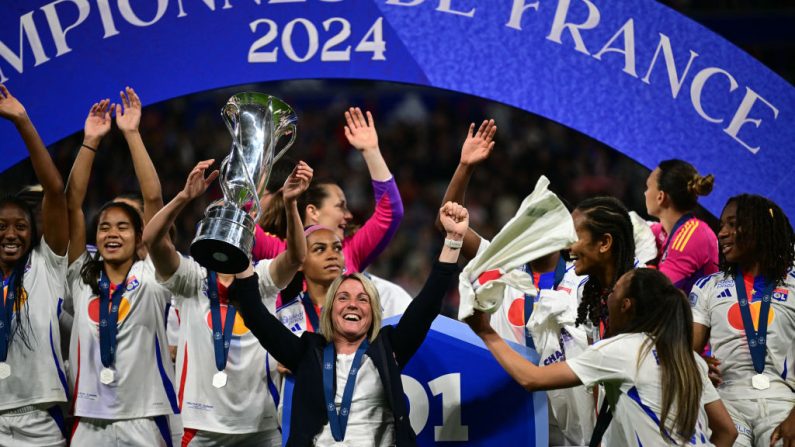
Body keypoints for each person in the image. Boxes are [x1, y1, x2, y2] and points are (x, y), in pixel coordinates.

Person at [232, 202, 467, 446]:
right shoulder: (308, 352)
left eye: (362, 299)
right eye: (343, 298)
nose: (353, 304)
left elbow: (427, 305)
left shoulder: (388, 349)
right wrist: (240, 252)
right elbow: (255, 315)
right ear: (331, 310)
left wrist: (453, 240)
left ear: (373, 312)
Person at [144, 159, 312, 446]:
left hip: (260, 426)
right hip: (200, 425)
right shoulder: (190, 279)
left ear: (249, 235)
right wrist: (184, 197)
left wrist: (290, 204)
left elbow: (297, 257)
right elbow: (152, 240)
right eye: (219, 220)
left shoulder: (262, 279)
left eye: (236, 223)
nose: (227, 230)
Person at [466, 268, 737, 446]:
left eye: (615, 291)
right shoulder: (689, 359)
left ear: (626, 304)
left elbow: (531, 378)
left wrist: (486, 332)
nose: (608, 297)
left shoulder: (622, 350)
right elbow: (727, 432)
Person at [66, 88, 181, 445]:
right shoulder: (81, 276)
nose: (112, 233)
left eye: (122, 226)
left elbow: (153, 200)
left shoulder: (152, 277)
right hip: (88, 421)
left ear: (140, 236)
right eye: (104, 226)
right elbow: (72, 203)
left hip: (144, 418)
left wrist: (132, 134)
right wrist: (90, 142)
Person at [690, 194, 795, 447]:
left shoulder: (793, 286)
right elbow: (686, 354)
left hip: (783, 403)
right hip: (727, 402)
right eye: (720, 226)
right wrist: (698, 364)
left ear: (758, 226)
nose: (722, 233)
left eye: (732, 224)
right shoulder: (708, 287)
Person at [0, 85, 70, 446]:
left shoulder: (46, 265)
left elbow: (56, 191)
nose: (11, 234)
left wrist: (22, 121)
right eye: (2, 226)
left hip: (41, 419)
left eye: (20, 226)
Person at [252, 107, 403, 274]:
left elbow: (390, 212)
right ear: (313, 211)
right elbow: (240, 225)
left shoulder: (350, 252)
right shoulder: (282, 253)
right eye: (340, 205)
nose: (349, 215)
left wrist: (371, 152)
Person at [644, 159, 718, 293]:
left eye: (648, 187)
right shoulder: (663, 231)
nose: (645, 193)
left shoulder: (693, 235)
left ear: (661, 197)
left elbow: (656, 295)